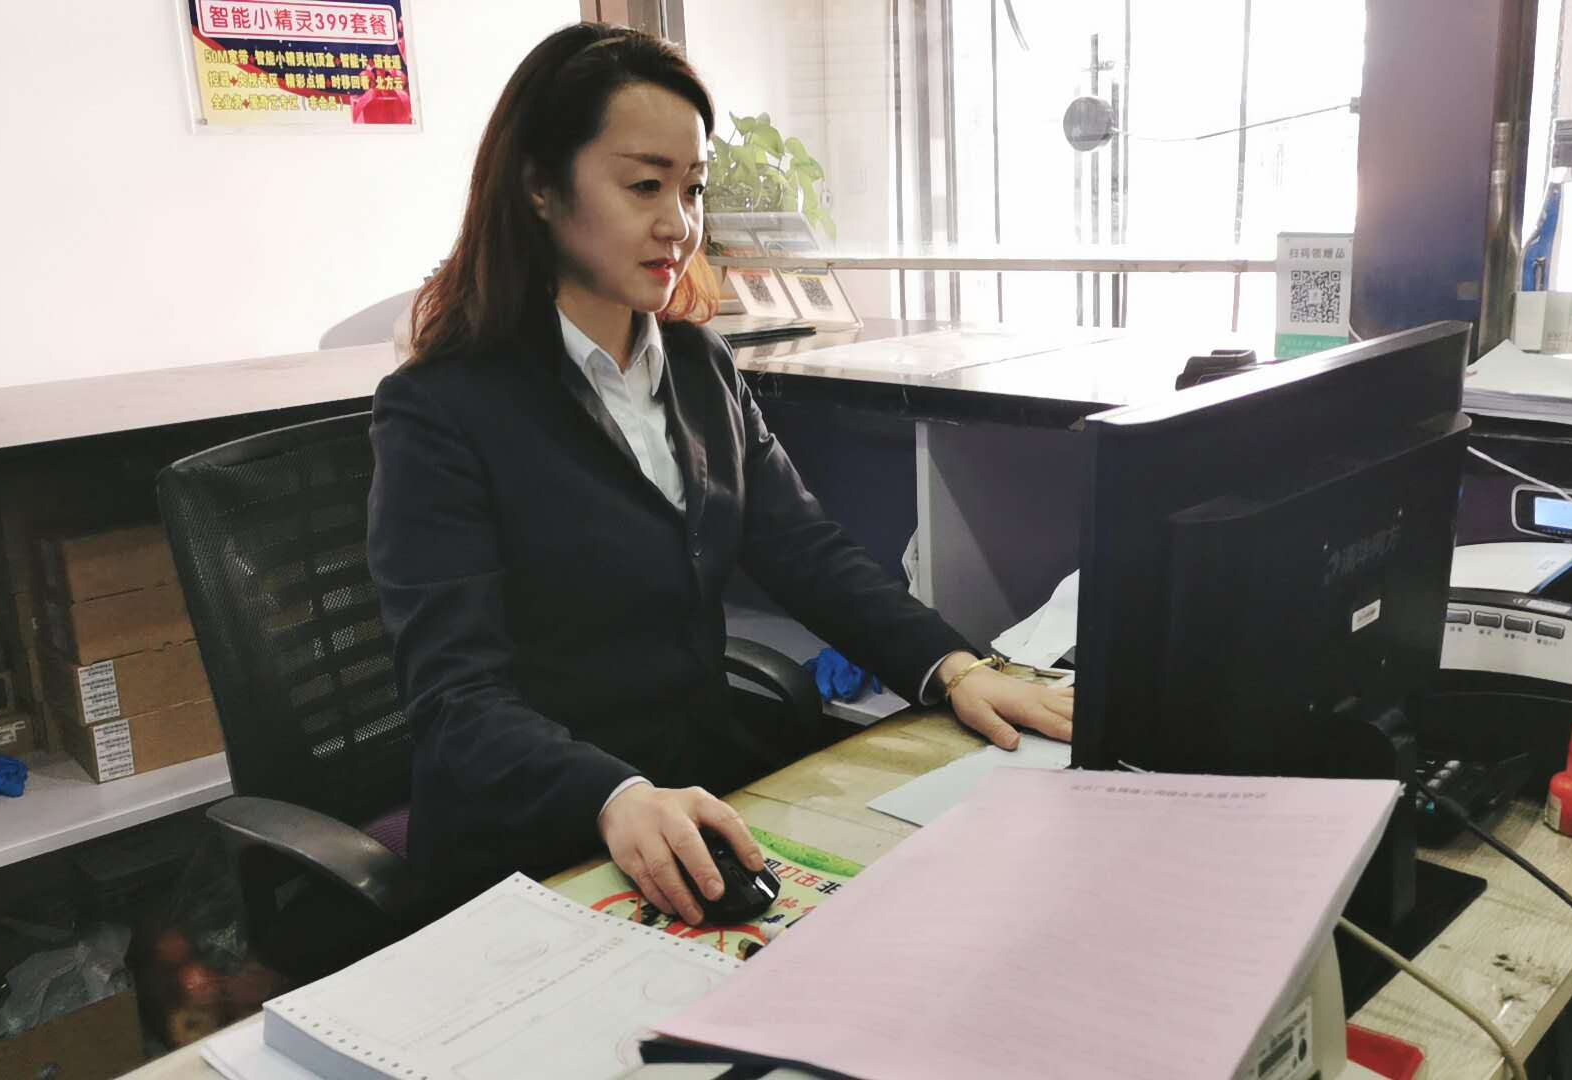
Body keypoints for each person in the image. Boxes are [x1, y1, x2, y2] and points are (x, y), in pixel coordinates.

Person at [368, 22, 1073, 923]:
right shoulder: (441, 410)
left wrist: (956, 669)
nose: (679, 222)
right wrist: (615, 795)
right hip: (537, 839)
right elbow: (456, 699)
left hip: (701, 801)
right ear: (540, 186)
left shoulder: (698, 365)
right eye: (644, 185)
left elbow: (808, 552)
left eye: (693, 187)